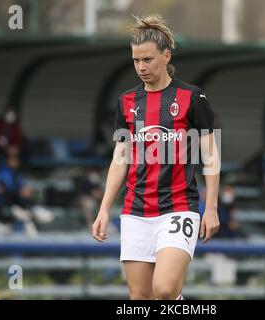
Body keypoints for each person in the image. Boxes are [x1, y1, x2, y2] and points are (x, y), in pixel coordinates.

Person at [92, 14, 220, 300]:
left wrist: (210, 207)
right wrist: (103, 209)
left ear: (166, 56)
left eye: (147, 60)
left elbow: (210, 154)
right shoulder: (126, 102)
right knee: (140, 296)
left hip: (178, 207)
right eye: (136, 61)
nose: (141, 67)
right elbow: (120, 158)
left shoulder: (192, 98)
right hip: (136, 210)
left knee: (164, 290)